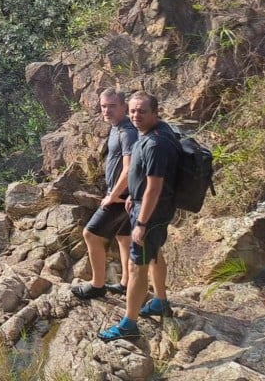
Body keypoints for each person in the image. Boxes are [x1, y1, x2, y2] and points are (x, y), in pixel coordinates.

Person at [98, 91, 179, 342]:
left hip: (151, 213)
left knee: (136, 266)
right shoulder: (154, 133)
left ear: (155, 112)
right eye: (132, 110)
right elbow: (145, 177)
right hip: (150, 206)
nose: (136, 115)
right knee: (154, 254)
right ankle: (160, 302)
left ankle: (129, 323)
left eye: (142, 111)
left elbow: (155, 186)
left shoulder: (155, 143)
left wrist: (141, 223)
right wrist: (134, 192)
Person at [71, 88, 136, 300]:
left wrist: (112, 195)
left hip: (121, 196)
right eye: (103, 106)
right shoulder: (116, 128)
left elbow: (129, 169)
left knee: (90, 234)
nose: (106, 110)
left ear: (123, 107)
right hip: (122, 195)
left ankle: (97, 285)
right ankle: (126, 283)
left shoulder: (127, 132)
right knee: (123, 237)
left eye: (112, 106)